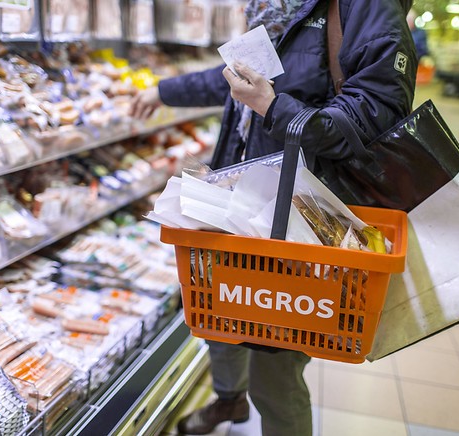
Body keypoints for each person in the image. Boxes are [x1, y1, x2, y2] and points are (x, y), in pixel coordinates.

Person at [130, 1, 416, 435]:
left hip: (299, 217)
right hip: (238, 207)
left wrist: (274, 106)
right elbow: (238, 77)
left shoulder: (363, 7)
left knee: (274, 372)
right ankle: (229, 402)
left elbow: (376, 111)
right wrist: (163, 91)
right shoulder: (276, 8)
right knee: (220, 320)